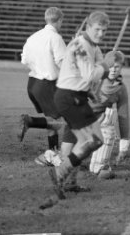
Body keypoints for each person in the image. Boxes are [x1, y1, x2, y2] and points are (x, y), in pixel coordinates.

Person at [48, 10, 116, 200]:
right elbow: (90, 74)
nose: (101, 34)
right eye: (97, 29)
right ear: (88, 27)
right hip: (69, 98)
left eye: (104, 30)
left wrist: (90, 92)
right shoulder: (82, 45)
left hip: (75, 95)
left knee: (91, 140)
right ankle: (60, 174)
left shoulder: (90, 45)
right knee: (91, 140)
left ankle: (68, 182)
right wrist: (107, 64)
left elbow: (80, 76)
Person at [36, 50, 130, 183]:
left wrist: (123, 145)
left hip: (98, 124)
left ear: (122, 68)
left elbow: (123, 116)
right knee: (66, 159)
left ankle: (99, 164)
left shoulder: (121, 88)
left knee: (109, 121)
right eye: (111, 66)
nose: (114, 70)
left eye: (117, 67)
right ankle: (51, 156)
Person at [18, 7, 66, 151]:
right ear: (59, 20)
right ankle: (29, 121)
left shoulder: (33, 37)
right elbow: (63, 63)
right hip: (47, 85)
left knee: (51, 119)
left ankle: (52, 152)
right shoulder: (56, 38)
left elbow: (24, 60)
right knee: (62, 122)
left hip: (33, 84)